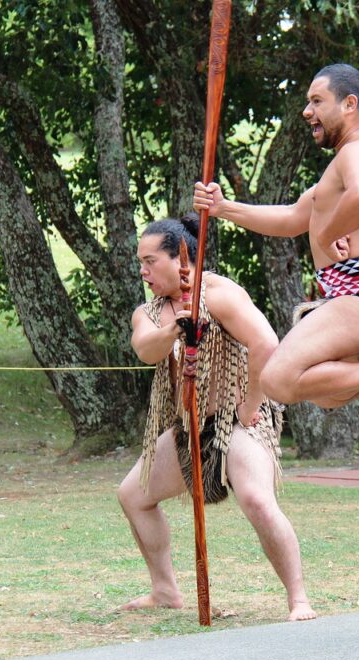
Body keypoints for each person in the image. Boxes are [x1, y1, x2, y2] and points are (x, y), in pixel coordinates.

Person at [193, 63, 359, 409]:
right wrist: (223, 208)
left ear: (349, 104)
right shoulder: (351, 157)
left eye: (317, 101)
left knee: (277, 379)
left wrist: (327, 235)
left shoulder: (358, 150)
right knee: (327, 395)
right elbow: (294, 217)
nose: (308, 112)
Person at [117, 214, 316, 621]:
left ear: (182, 257)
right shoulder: (151, 312)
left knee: (258, 500)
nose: (143, 270)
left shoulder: (220, 294)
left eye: (151, 261)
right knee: (133, 495)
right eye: (141, 261)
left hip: (237, 421)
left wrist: (249, 406)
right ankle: (165, 590)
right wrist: (175, 329)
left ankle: (299, 600)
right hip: (188, 429)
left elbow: (267, 343)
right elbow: (145, 349)